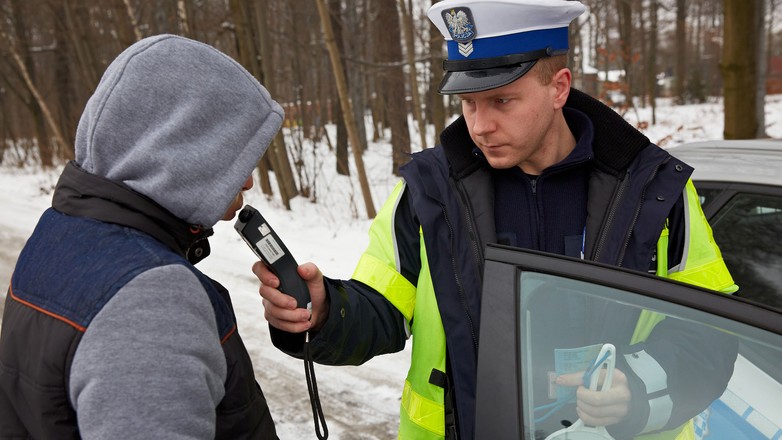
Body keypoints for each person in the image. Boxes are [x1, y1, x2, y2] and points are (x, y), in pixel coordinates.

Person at [254, 1, 738, 439]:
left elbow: (709, 334)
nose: (480, 125)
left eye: (502, 101)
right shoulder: (427, 191)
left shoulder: (654, 190)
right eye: (468, 103)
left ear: (558, 88)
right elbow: (381, 309)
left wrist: (635, 387)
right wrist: (324, 311)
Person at [0, 34, 284, 439]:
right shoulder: (152, 296)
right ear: (183, 149)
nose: (249, 180)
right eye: (233, 157)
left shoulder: (61, 234)